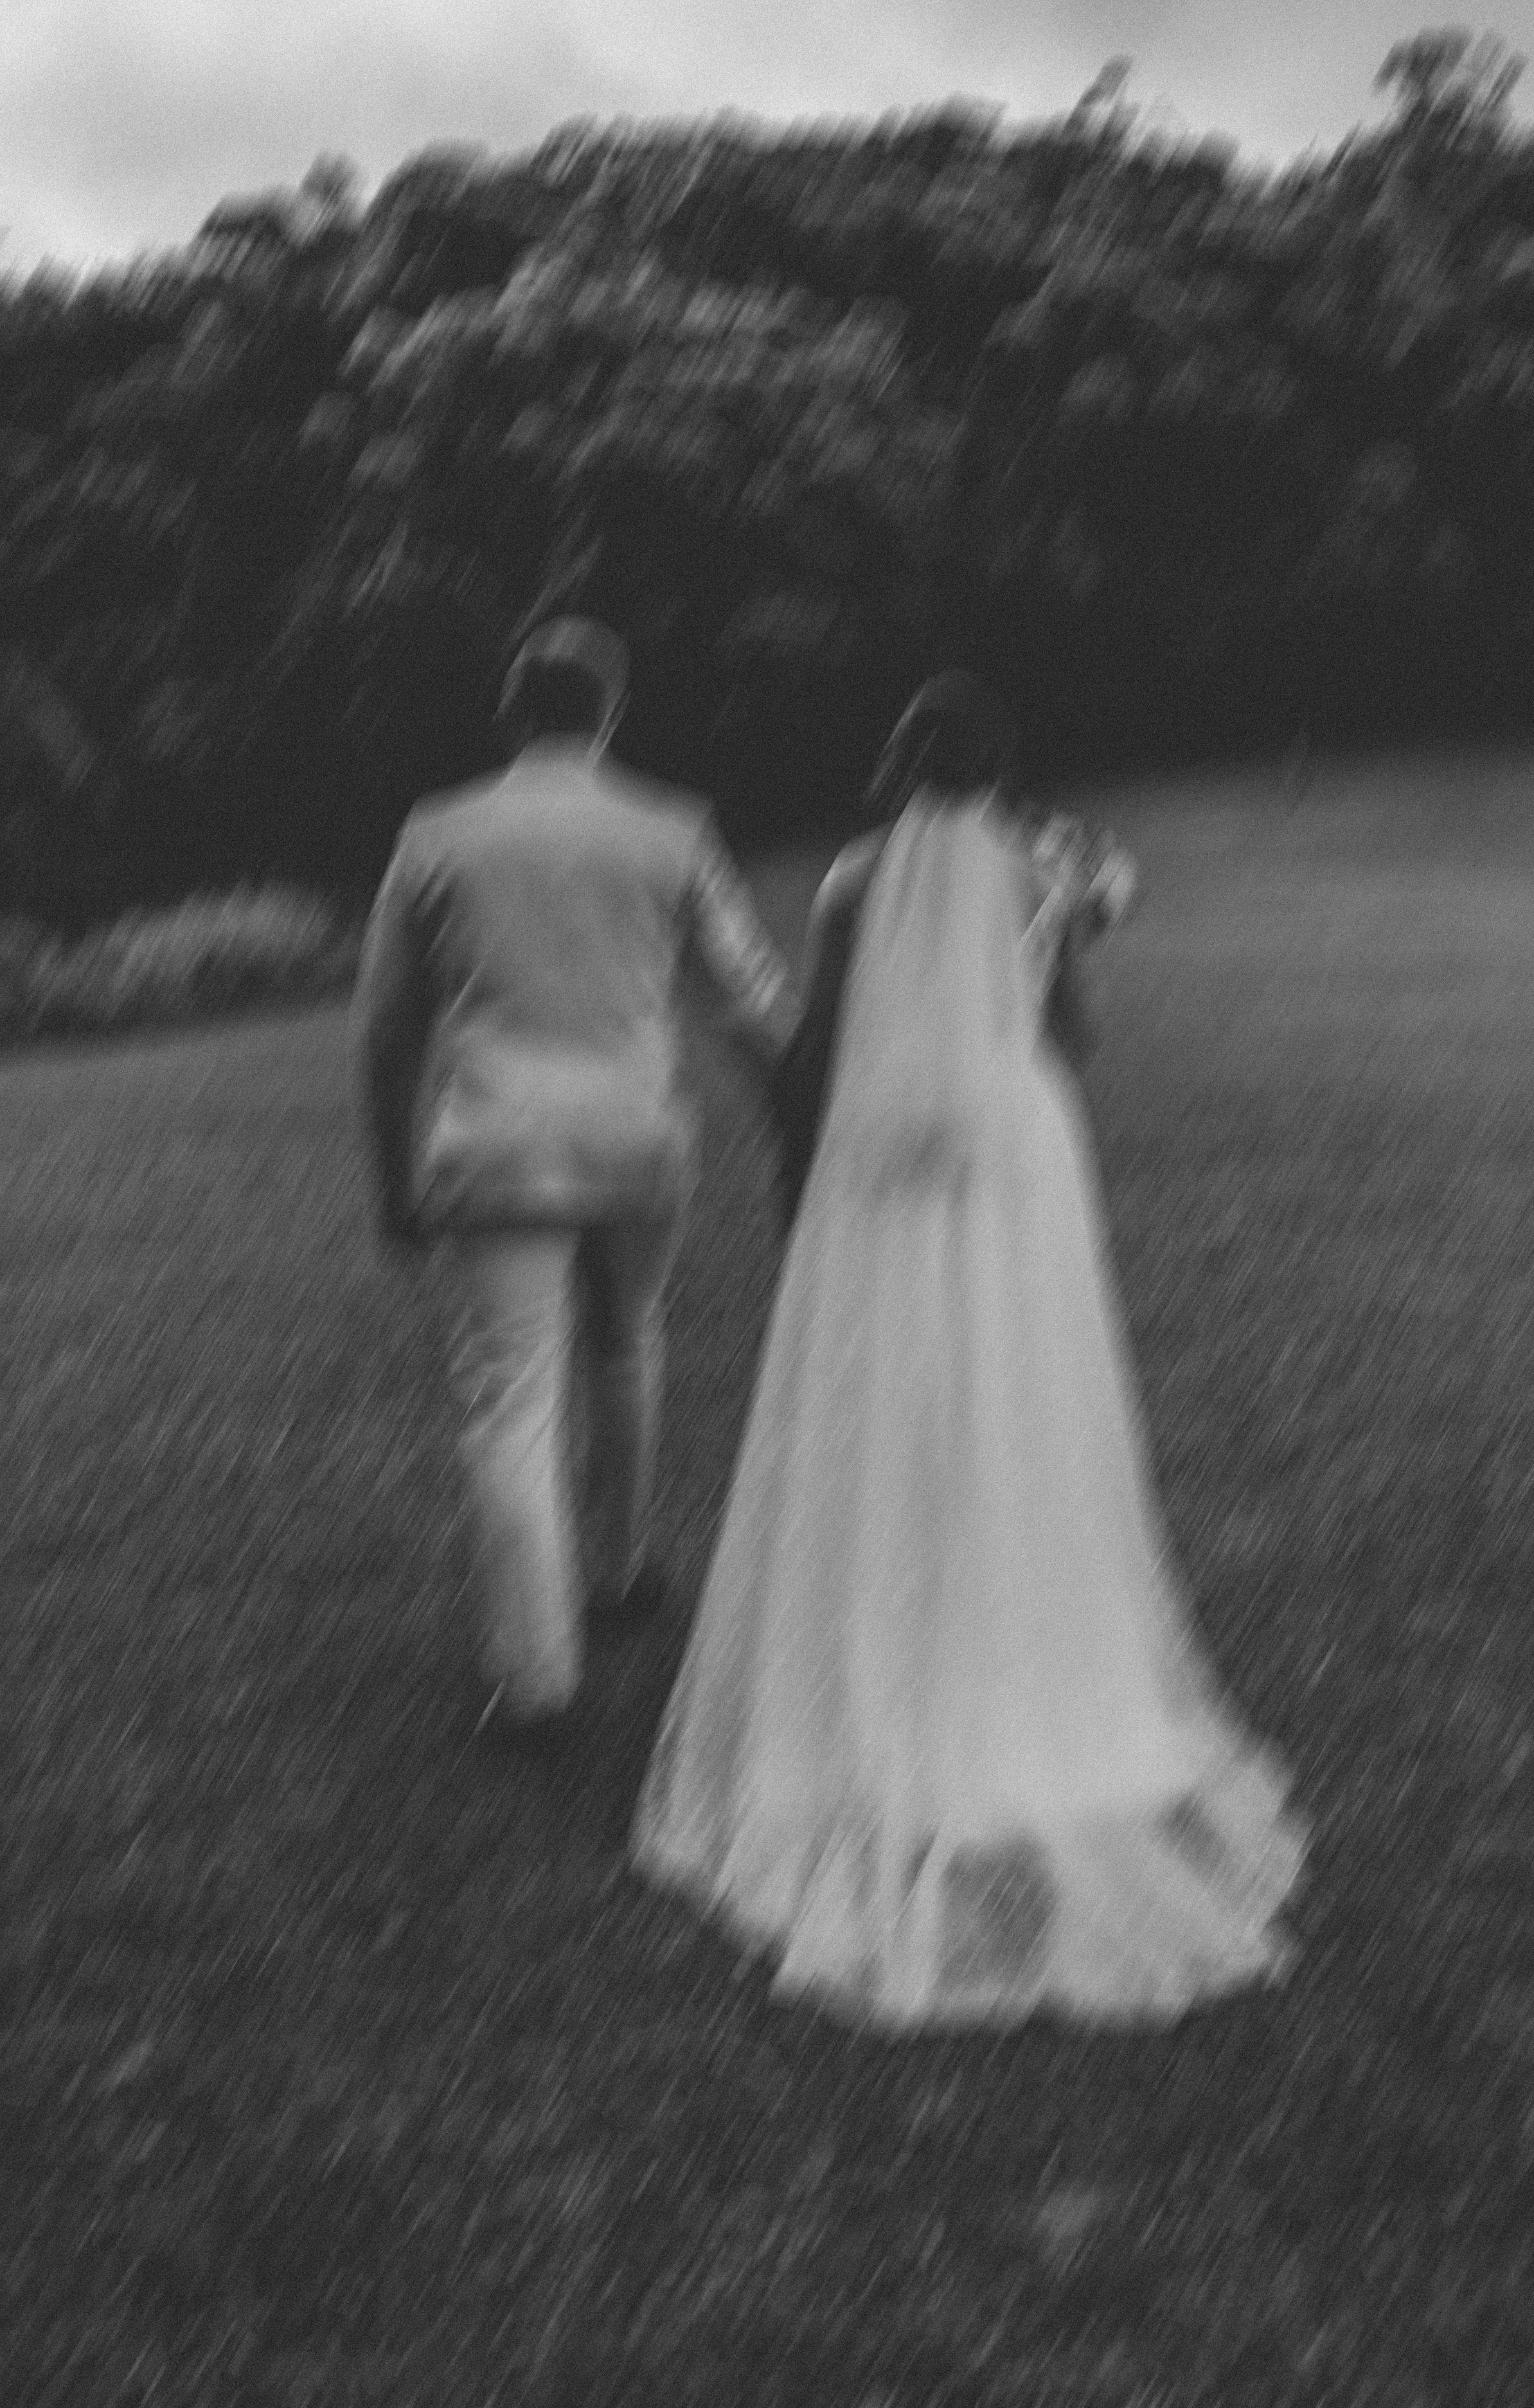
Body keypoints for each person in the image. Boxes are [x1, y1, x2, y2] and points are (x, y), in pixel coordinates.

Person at [632, 673, 1305, 2029]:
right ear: (1001, 773)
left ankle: (867, 1678)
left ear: (896, 766)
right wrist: (1074, 939)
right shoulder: (1033, 872)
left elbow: (817, 1052)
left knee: (881, 1405)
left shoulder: (848, 881)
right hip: (1014, 1165)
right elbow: (1071, 1037)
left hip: (877, 1176)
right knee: (1024, 1394)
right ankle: (1035, 1665)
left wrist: (796, 1165)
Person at [352, 618, 798, 1727]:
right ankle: (622, 1566)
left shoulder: (439, 832)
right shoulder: (672, 829)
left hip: (496, 1145)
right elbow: (751, 1005)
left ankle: (538, 1673)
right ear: (610, 711)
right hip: (636, 1139)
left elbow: (384, 1026)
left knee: (511, 1400)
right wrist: (812, 1105)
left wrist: (391, 1177)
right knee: (627, 1339)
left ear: (513, 712)